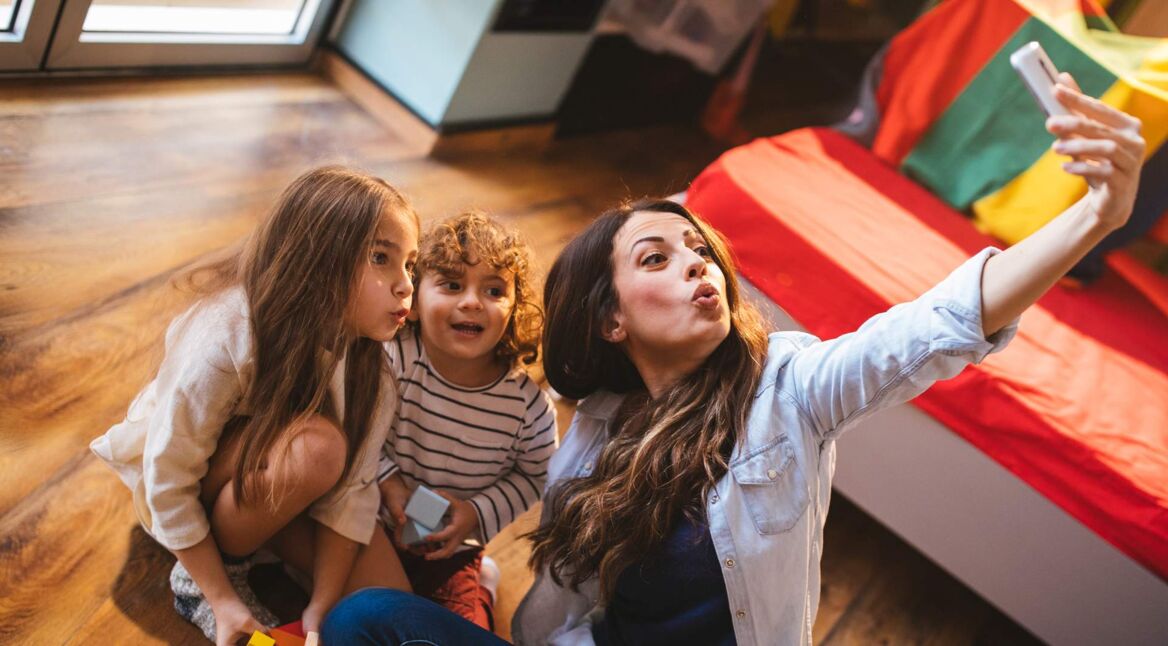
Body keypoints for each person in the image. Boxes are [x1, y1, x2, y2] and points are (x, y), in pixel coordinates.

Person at [321, 78, 1145, 645]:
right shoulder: (596, 431)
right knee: (363, 624)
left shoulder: (790, 390)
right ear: (609, 320)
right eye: (656, 258)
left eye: (700, 252)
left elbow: (935, 327)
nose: (696, 265)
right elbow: (566, 601)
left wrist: (1096, 216)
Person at [91, 166, 419, 645]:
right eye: (380, 258)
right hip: (204, 488)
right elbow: (168, 477)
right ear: (317, 258)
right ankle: (203, 575)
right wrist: (222, 599)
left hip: (285, 484)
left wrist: (318, 608)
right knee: (320, 447)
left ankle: (270, 539)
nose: (406, 284)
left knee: (395, 605)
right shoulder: (227, 334)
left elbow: (352, 495)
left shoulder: (377, 374)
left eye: (410, 263)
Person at [378, 212, 558, 630]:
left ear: (513, 311)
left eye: (494, 290)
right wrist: (387, 481)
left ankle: (484, 585)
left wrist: (475, 513)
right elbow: (356, 430)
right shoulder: (394, 359)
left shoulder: (527, 409)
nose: (473, 301)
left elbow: (535, 477)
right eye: (453, 284)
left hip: (454, 546)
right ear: (416, 298)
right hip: (374, 519)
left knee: (457, 628)